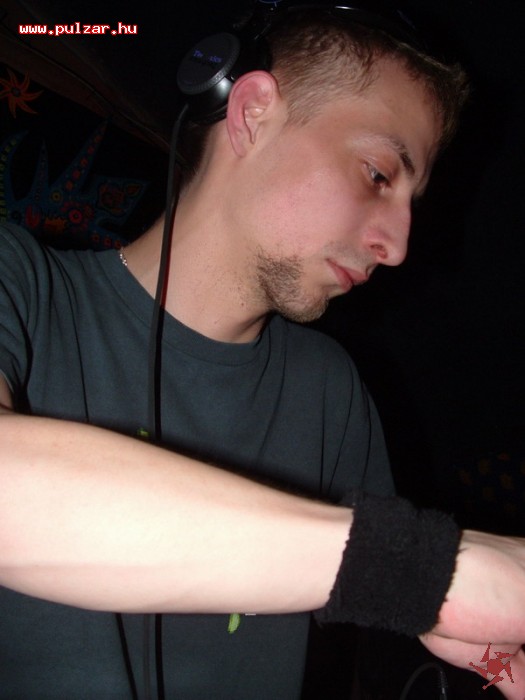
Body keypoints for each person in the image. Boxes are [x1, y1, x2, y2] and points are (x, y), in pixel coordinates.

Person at [0, 5, 524, 700]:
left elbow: (401, 629)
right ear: (250, 114)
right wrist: (427, 572)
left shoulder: (332, 391)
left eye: (411, 204)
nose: (397, 246)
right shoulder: (20, 283)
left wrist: (489, 655)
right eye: (377, 174)